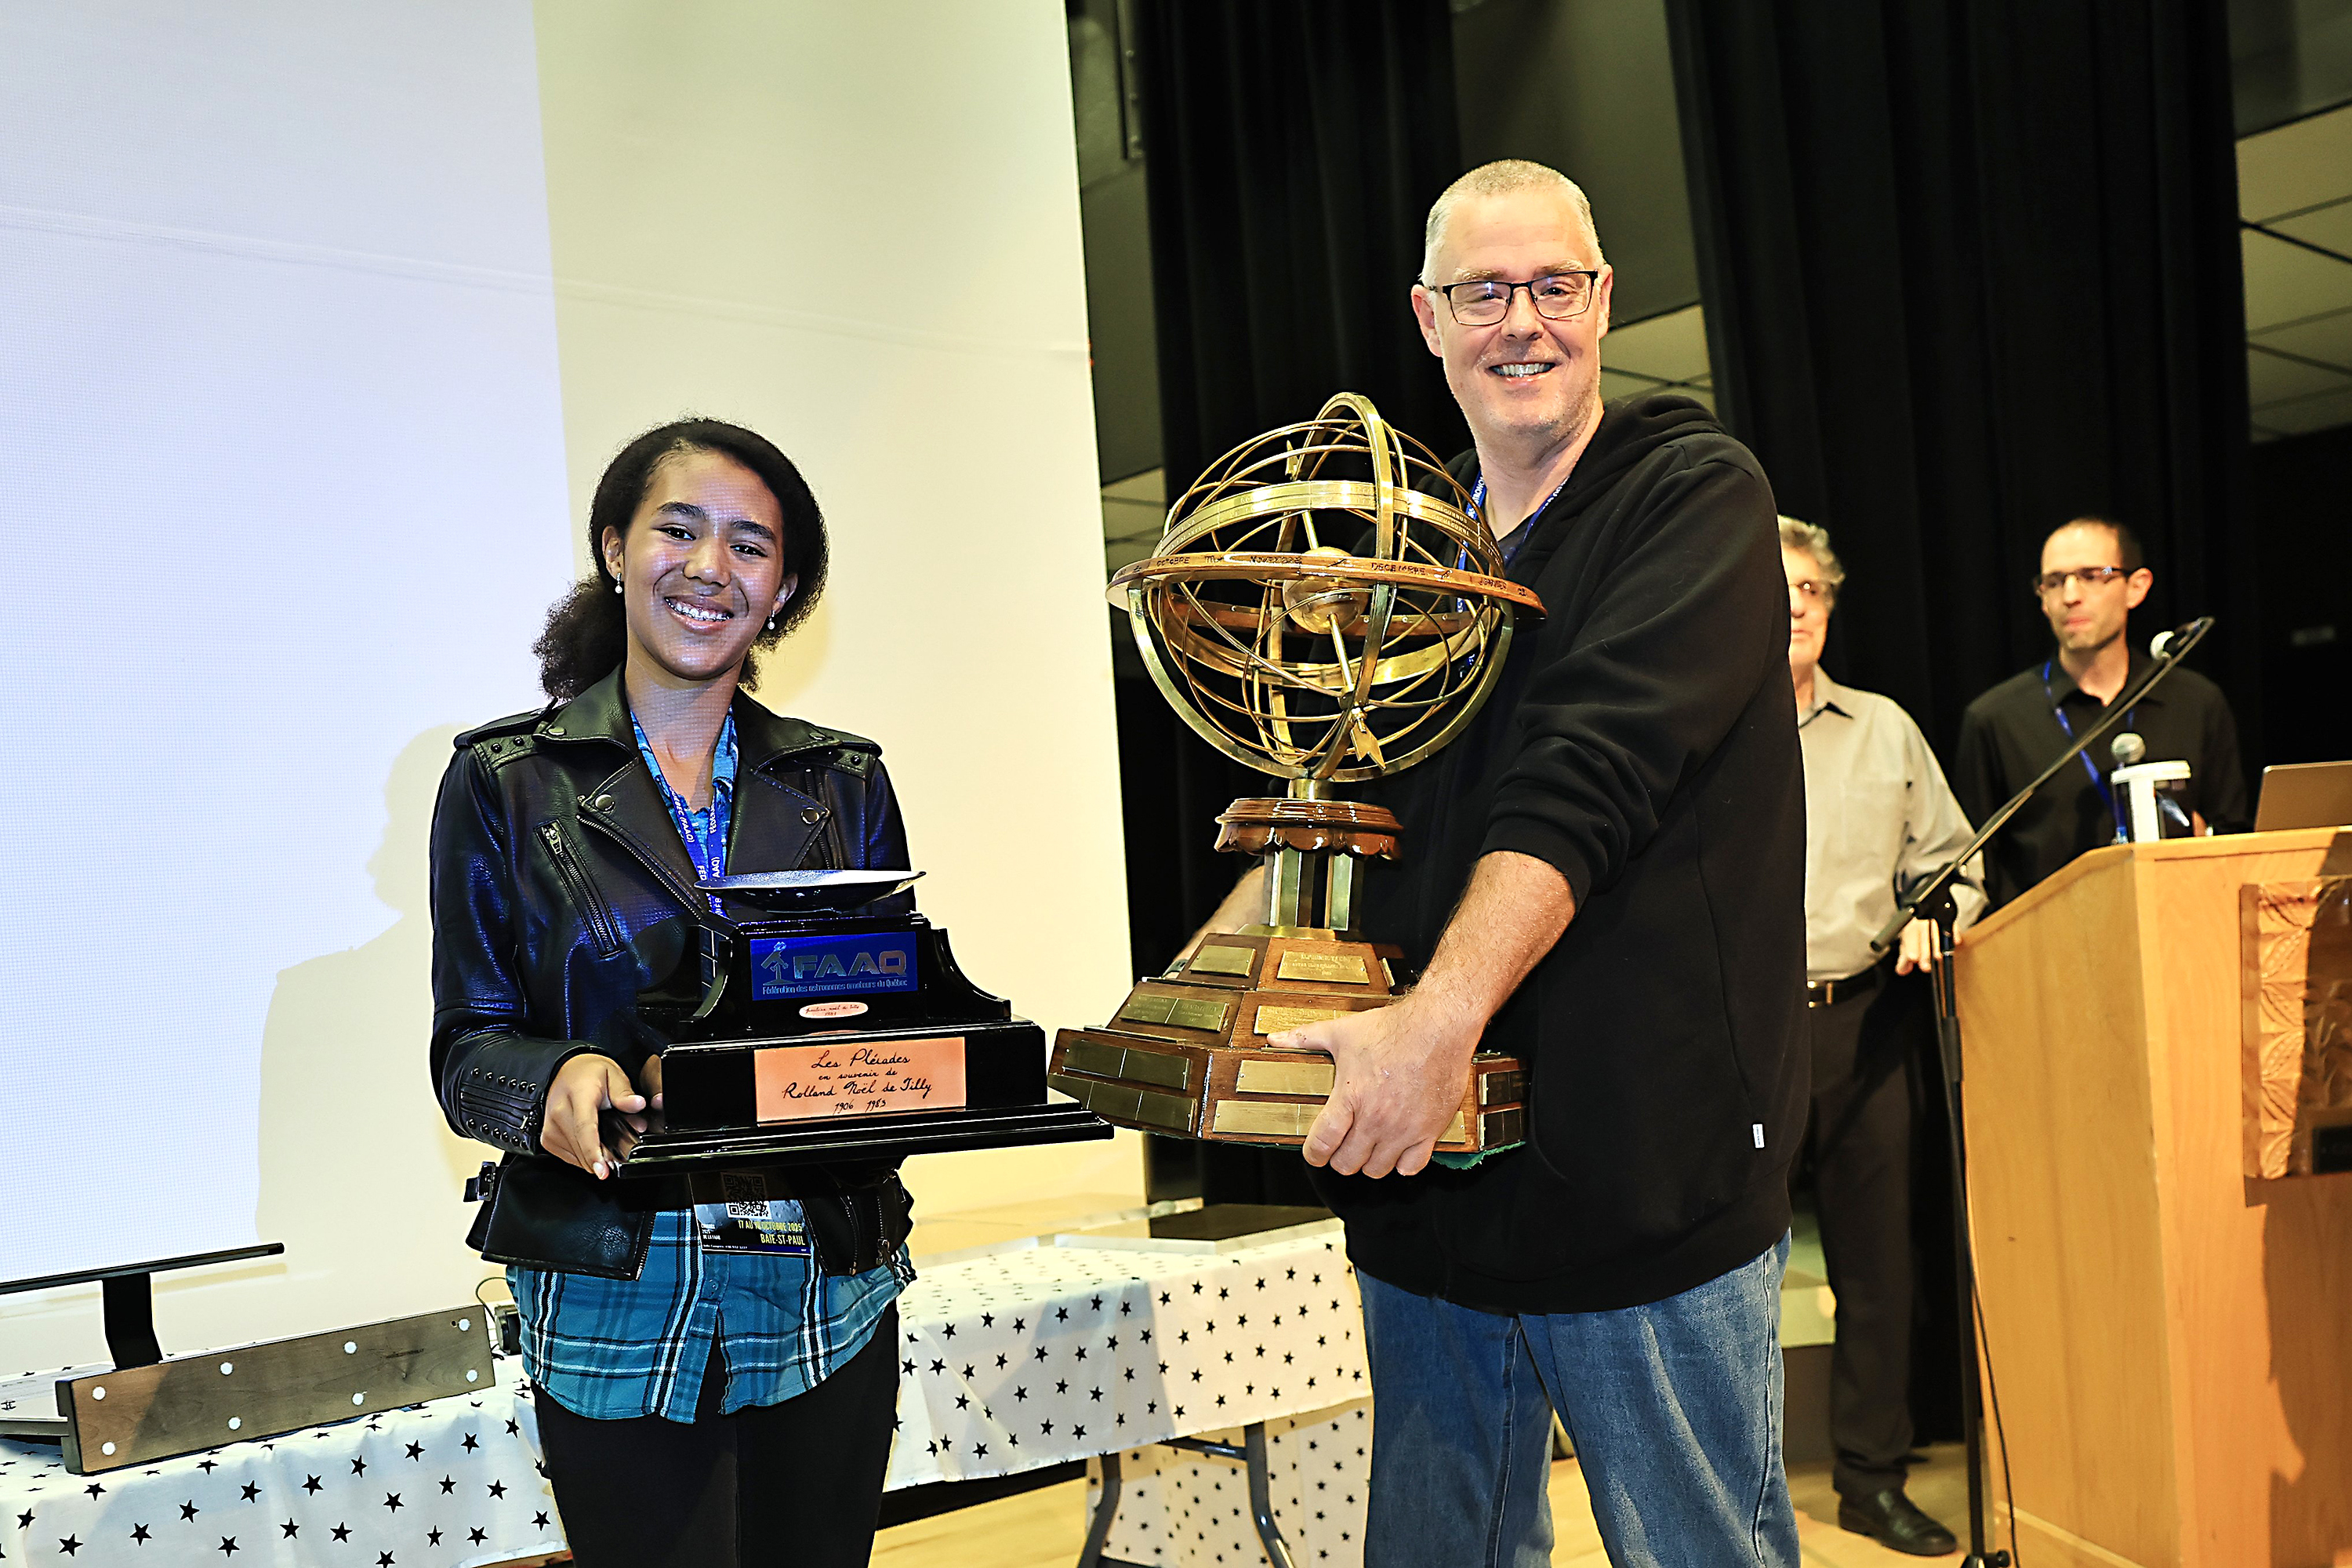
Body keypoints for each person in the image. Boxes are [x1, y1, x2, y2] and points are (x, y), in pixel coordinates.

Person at [1198, 158, 1809, 1565]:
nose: (1520, 322)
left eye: (1553, 286)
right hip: (1434, 1183)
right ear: (1429, 318)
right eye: (1485, 291)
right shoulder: (1414, 568)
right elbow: (1334, 807)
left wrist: (1435, 1020)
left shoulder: (1692, 493)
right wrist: (1193, 994)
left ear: (1603, 301)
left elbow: (1588, 775)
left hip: (1648, 1185)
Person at [429, 419, 914, 1568]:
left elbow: (892, 1013)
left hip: (823, 1297)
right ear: (613, 547)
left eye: (751, 546)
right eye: (678, 530)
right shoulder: (503, 782)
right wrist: (553, 1077)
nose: (711, 569)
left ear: (784, 587)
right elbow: (466, 1051)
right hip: (615, 1295)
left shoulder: (842, 781)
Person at [1781, 517, 1981, 1555]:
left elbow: (1952, 865)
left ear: (1831, 602)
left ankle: (1870, 1481)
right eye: (1774, 590)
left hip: (1865, 1024)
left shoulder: (1887, 730)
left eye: (1810, 588)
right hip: (1743, 1036)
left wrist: (1934, 914)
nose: (1794, 605)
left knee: (1878, 1272)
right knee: (1728, 1276)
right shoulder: (1700, 726)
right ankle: (1737, 1481)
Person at [1953, 515, 2248, 908]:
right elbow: (1978, 868)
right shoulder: (1996, 719)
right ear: (2042, 598)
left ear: (2136, 587)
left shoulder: (2195, 702)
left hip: (2182, 927)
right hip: (2048, 949)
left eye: (2091, 576)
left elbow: (2236, 835)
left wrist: (2203, 836)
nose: (2070, 595)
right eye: (2054, 582)